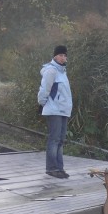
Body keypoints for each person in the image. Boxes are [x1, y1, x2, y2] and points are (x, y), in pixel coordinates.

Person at [37, 45, 72, 179]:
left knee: (61, 140)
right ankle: (51, 168)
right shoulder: (51, 71)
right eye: (61, 55)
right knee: (54, 139)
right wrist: (42, 104)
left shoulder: (62, 71)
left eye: (65, 55)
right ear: (55, 56)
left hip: (63, 110)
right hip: (54, 109)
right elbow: (44, 89)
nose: (64, 58)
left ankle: (59, 168)